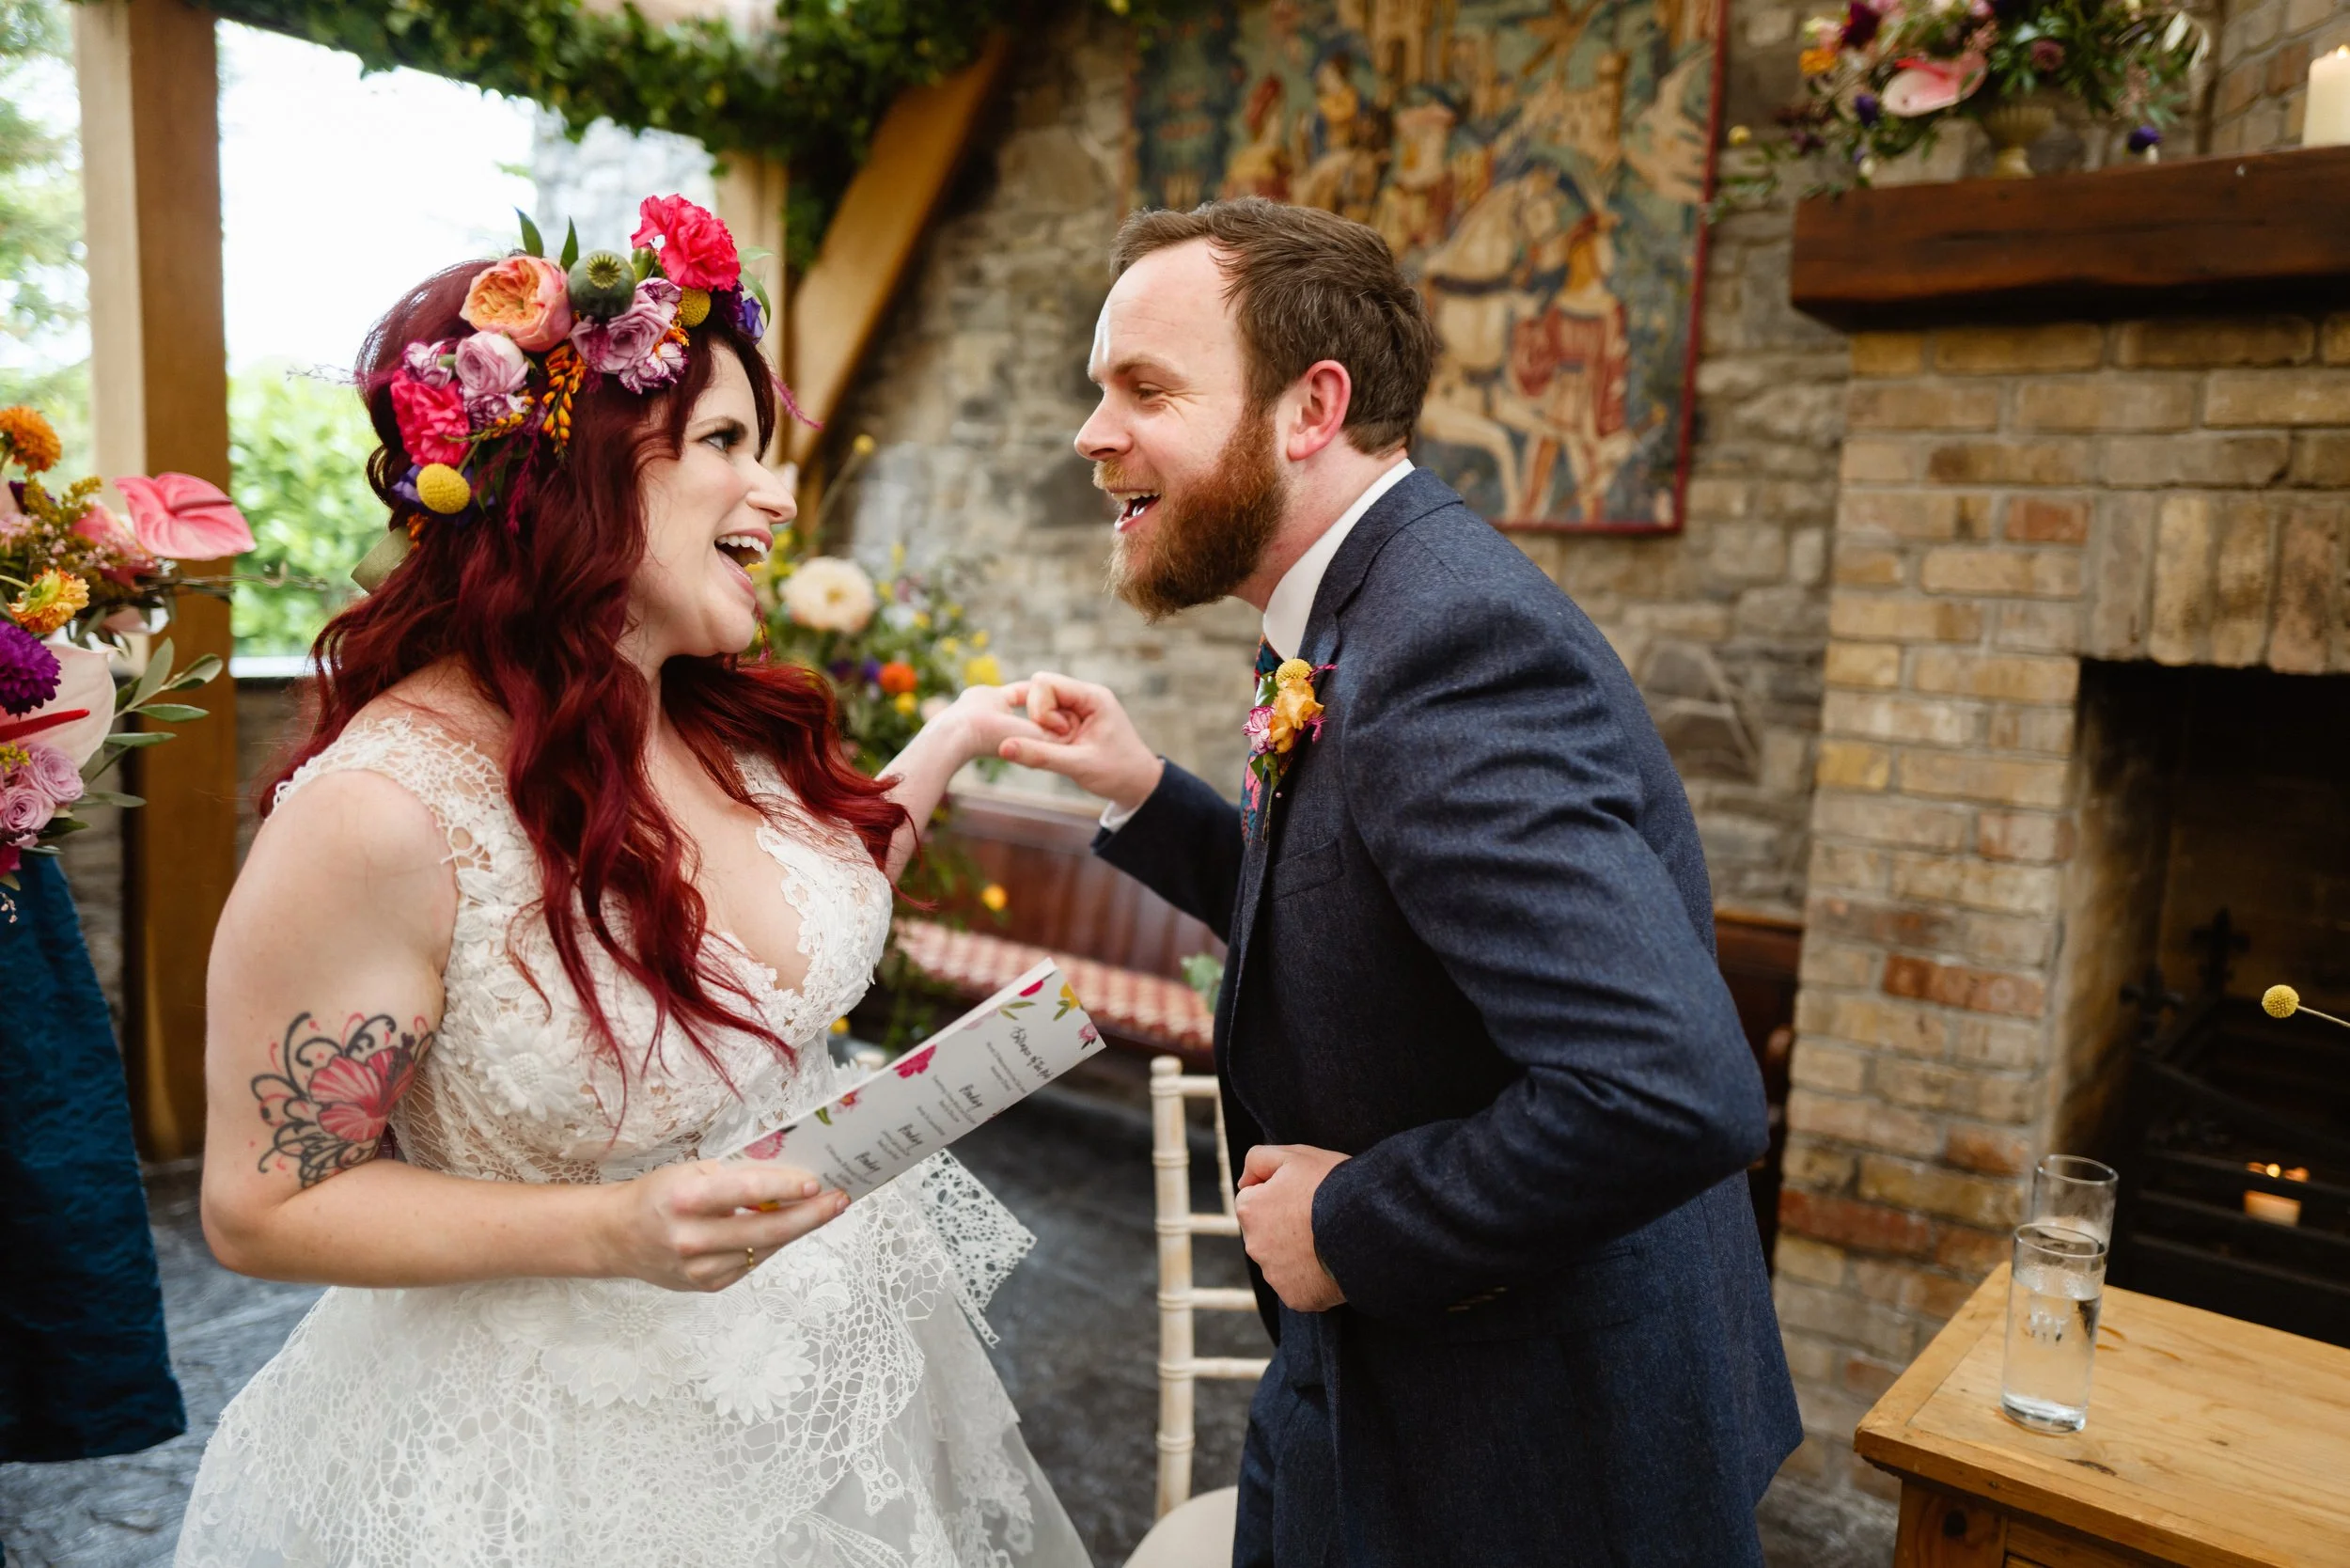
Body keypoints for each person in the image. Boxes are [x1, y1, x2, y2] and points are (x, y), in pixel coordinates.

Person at [173, 197, 1084, 1568]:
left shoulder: (701, 713)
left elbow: (792, 913)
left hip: (814, 1395)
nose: (776, 494)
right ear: (569, 479)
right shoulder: (381, 816)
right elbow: (263, 1206)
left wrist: (950, 738)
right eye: (723, 443)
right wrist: (610, 1226)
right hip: (547, 1471)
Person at [998, 197, 1802, 1566]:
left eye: (1145, 388)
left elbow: (1670, 1088)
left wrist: (1348, 1224)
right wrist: (1149, 793)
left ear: (1311, 407)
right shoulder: (1356, 609)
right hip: (1379, 1386)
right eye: (1099, 390)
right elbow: (1361, 910)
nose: (1092, 434)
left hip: (1526, 1453)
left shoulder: (1450, 645)